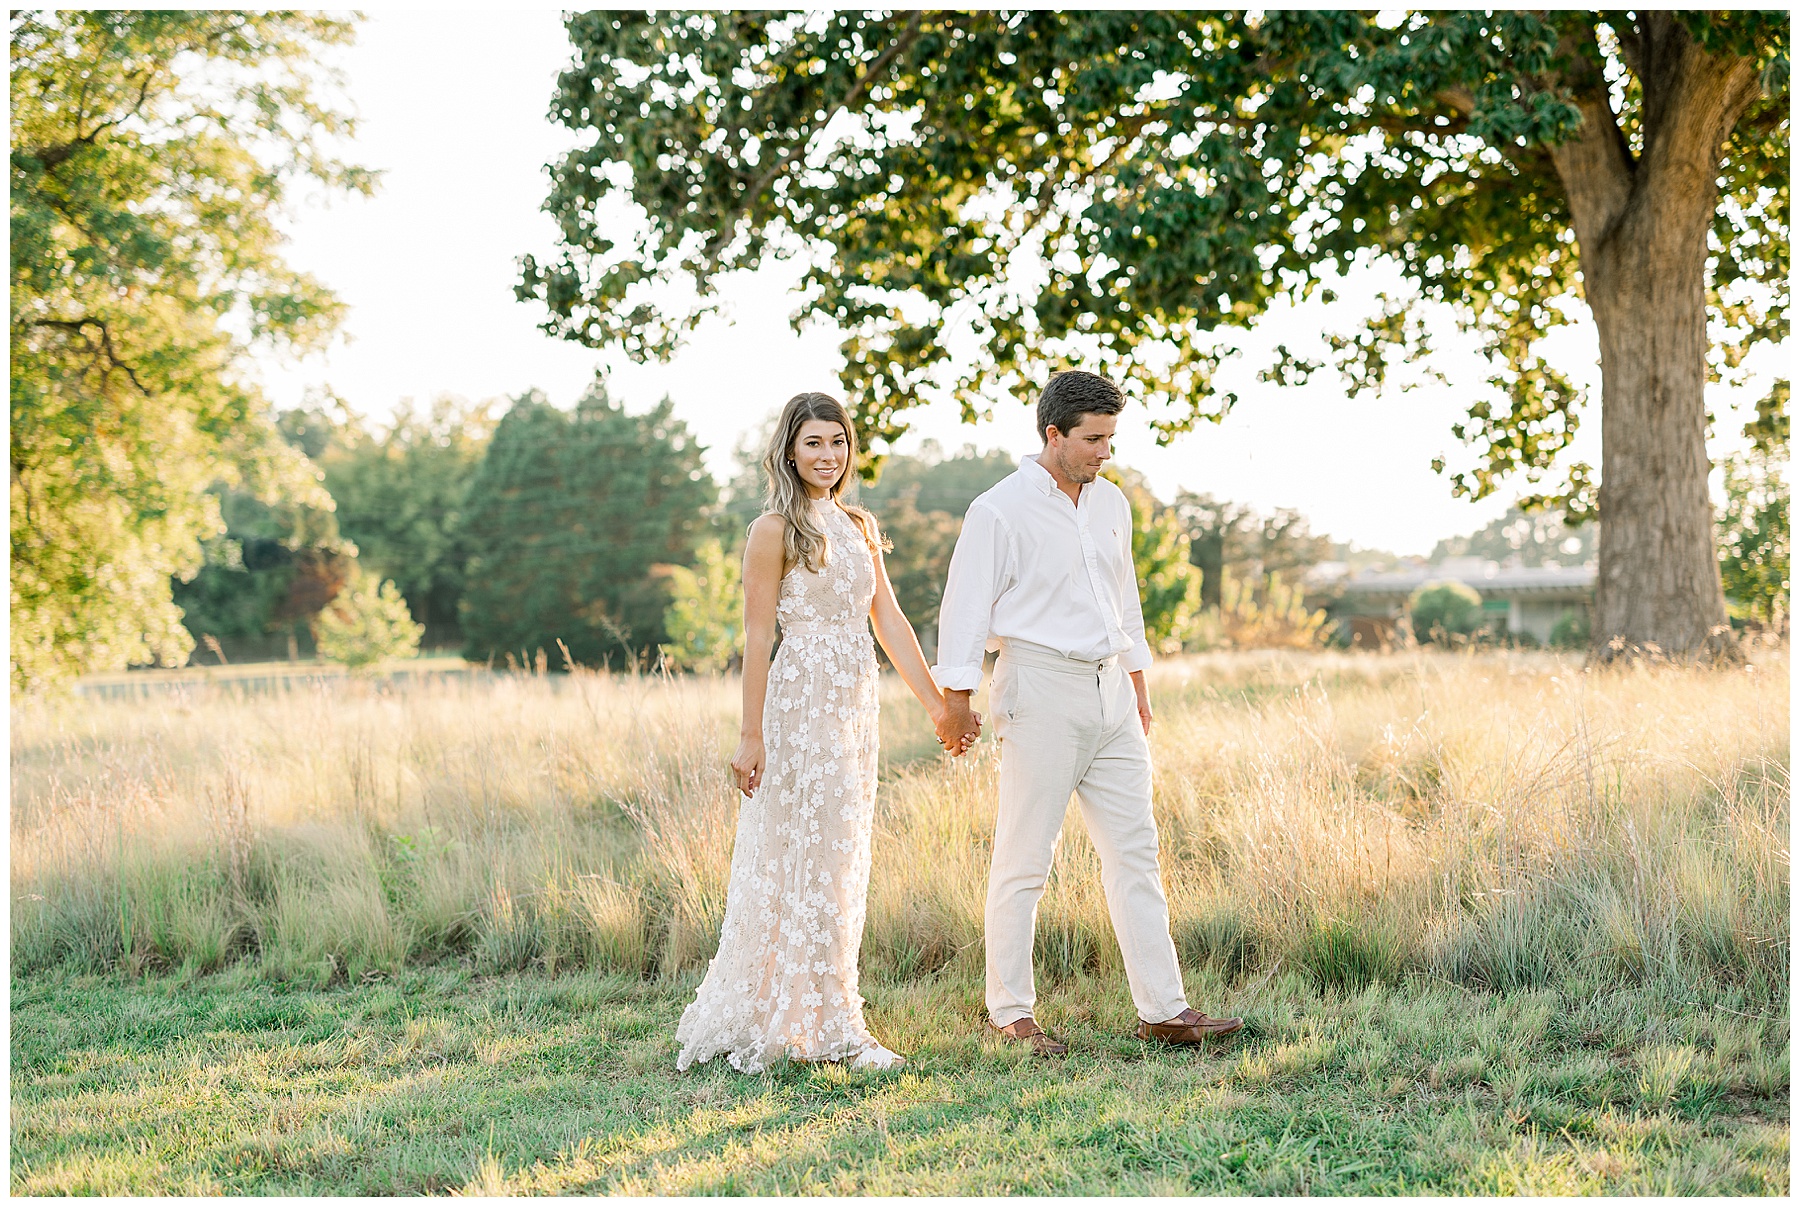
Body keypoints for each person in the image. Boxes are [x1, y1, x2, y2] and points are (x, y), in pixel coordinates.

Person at [930, 369, 1243, 1056]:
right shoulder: (998, 510)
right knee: (1025, 860)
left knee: (1137, 852)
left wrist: (1138, 681)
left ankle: (1163, 1008)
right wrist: (957, 699)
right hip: (1039, 686)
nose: (1105, 451)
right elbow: (964, 608)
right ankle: (1011, 1012)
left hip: (1111, 694)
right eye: (1094, 438)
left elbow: (1122, 597)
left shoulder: (1111, 505)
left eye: (1111, 437)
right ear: (1054, 434)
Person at [675, 391, 979, 1074]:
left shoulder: (857, 523)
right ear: (789, 449)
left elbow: (891, 622)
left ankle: (821, 1013)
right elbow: (757, 636)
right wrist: (749, 735)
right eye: (813, 442)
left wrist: (939, 706)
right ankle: (819, 1025)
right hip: (800, 698)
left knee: (839, 858)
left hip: (852, 705)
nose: (827, 455)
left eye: (837, 442)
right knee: (799, 855)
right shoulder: (773, 529)